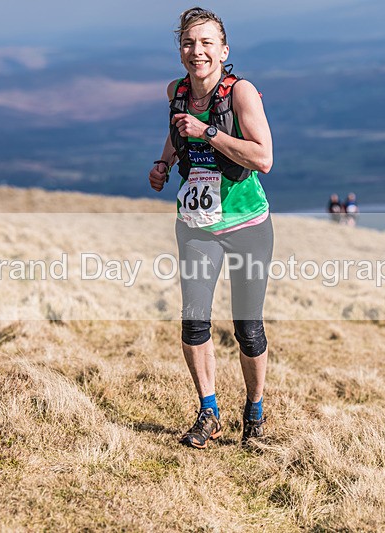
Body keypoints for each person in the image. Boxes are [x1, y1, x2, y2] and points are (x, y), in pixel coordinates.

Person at [148, 7, 273, 449]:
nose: (196, 51)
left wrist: (209, 133)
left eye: (206, 43)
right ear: (180, 50)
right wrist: (165, 161)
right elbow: (177, 128)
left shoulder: (242, 94)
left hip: (247, 225)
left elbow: (263, 158)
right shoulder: (176, 92)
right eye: (188, 43)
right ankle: (209, 412)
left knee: (247, 327)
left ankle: (254, 412)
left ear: (223, 50)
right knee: (194, 321)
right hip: (197, 224)